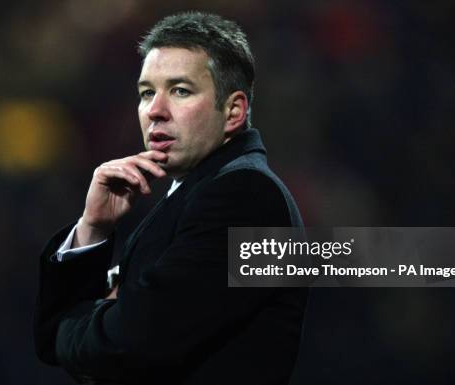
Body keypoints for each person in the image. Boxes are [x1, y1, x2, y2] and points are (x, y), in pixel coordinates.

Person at [34, 12, 307, 385]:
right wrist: (93, 228)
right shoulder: (195, 191)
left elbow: (131, 344)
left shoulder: (245, 197)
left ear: (234, 111)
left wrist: (94, 317)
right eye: (147, 93)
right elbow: (59, 344)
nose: (155, 111)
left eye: (180, 90)